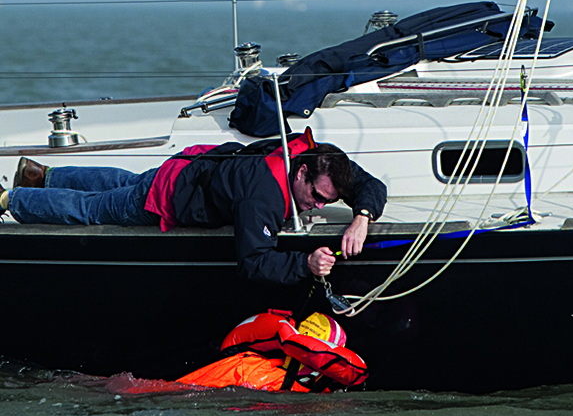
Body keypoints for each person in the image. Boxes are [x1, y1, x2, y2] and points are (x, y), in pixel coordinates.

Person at [0, 130, 386, 286]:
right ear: (302, 173)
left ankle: (42, 176)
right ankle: (9, 199)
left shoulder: (305, 151)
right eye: (316, 196)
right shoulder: (262, 199)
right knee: (92, 209)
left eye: (329, 201)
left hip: (188, 167)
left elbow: (367, 184)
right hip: (167, 197)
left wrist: (362, 217)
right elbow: (254, 261)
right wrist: (304, 264)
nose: (319, 205)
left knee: (122, 182)